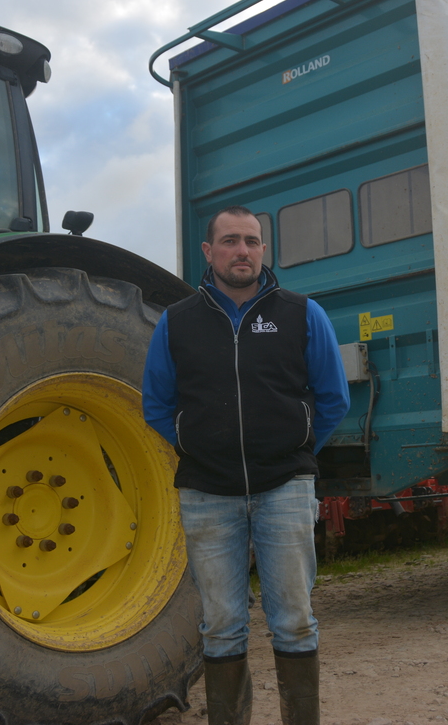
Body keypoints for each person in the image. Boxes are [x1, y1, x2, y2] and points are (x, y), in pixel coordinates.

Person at [143, 205, 350, 725]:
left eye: (252, 241)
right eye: (231, 241)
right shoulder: (176, 323)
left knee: (295, 620)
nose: (243, 251)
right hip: (208, 493)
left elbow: (333, 400)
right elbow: (156, 404)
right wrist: (197, 446)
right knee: (221, 624)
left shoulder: (304, 314)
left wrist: (296, 448)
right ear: (209, 253)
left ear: (264, 250)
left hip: (285, 488)